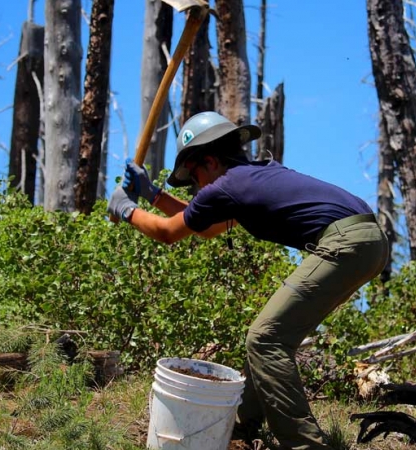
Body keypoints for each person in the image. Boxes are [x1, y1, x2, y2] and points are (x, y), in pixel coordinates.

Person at [108, 111, 389, 450]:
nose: (198, 187)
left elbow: (169, 233)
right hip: (369, 241)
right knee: (269, 335)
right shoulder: (252, 178)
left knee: (265, 339)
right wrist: (152, 195)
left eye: (195, 176)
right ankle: (242, 432)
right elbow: (206, 228)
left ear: (210, 161)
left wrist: (125, 209)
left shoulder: (227, 186)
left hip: (345, 243)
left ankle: (304, 445)